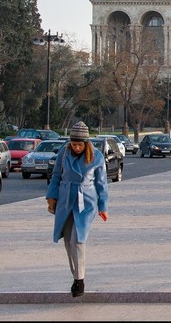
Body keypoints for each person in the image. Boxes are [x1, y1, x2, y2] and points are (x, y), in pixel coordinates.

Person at [46, 122, 108, 298]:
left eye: (80, 144)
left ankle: (80, 280)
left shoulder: (96, 156)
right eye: (74, 144)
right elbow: (56, 175)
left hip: (86, 201)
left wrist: (103, 206)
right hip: (65, 199)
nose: (77, 147)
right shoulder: (63, 153)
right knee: (67, 241)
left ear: (86, 143)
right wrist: (52, 198)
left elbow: (101, 183)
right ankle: (76, 277)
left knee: (78, 240)